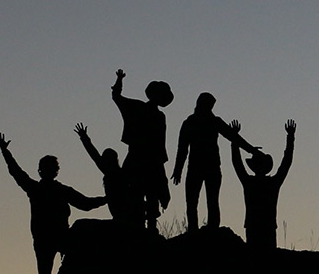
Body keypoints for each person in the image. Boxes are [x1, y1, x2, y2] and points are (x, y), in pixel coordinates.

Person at [0, 132, 106, 274]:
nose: (53, 170)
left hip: (55, 237)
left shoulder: (46, 189)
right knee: (46, 273)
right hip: (47, 237)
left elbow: (85, 203)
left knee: (49, 272)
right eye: (52, 167)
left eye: (54, 167)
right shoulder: (41, 189)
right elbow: (85, 204)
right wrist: (5, 152)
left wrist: (106, 199)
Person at [171, 92, 261, 231]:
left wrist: (251, 150)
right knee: (196, 201)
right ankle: (195, 230)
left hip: (208, 167)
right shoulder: (192, 122)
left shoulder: (207, 122)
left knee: (208, 201)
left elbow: (233, 137)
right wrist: (178, 169)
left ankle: (210, 228)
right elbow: (182, 148)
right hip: (198, 167)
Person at [111, 68, 173, 232]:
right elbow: (116, 97)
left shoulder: (159, 116)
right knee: (137, 193)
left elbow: (160, 142)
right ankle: (139, 227)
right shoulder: (138, 107)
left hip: (150, 160)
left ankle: (148, 228)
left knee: (150, 195)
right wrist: (119, 79)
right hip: (140, 158)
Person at [230, 119, 295, 249]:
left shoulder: (249, 182)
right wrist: (290, 137)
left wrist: (234, 138)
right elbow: (286, 162)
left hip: (253, 226)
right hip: (268, 226)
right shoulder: (273, 183)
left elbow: (237, 162)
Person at [73, 122, 137, 225]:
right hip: (120, 214)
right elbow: (94, 154)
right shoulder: (115, 172)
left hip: (125, 213)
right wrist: (84, 138)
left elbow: (94, 155)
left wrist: (84, 138)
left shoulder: (119, 174)